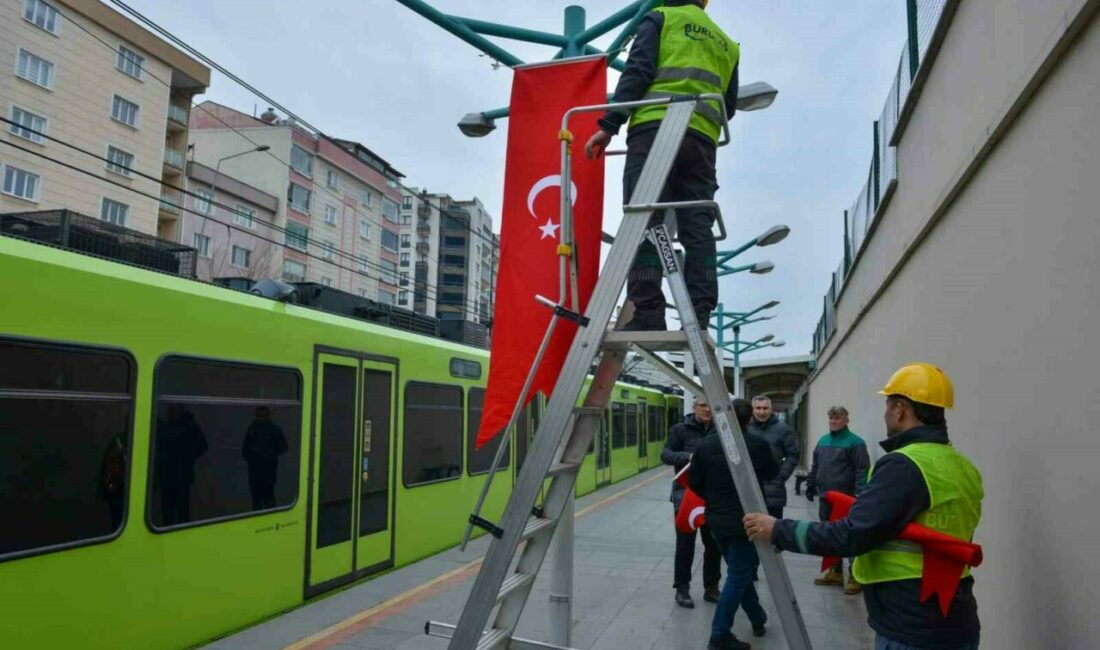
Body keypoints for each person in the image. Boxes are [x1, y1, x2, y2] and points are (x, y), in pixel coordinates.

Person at [744, 363, 984, 650]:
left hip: (910, 622)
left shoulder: (904, 465)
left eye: (887, 406)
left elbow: (852, 535)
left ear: (900, 409)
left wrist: (778, 529)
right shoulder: (962, 466)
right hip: (956, 615)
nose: (885, 414)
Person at [584, 0, 740, 331]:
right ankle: (698, 315)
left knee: (645, 219)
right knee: (698, 227)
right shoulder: (727, 43)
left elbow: (638, 72)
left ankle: (649, 312)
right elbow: (729, 105)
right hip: (702, 141)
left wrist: (609, 125)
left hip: (655, 128)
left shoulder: (660, 18)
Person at [689, 398, 778, 650]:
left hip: (716, 521)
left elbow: (694, 481)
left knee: (741, 573)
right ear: (749, 419)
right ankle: (719, 634)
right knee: (739, 575)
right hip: (747, 521)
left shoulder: (705, 445)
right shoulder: (758, 444)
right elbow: (772, 473)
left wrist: (714, 498)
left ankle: (757, 617)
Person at [662, 397, 721, 608]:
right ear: (694, 407)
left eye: (710, 406)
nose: (707, 410)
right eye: (703, 405)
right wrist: (688, 457)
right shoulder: (680, 429)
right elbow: (666, 454)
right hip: (685, 496)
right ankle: (682, 588)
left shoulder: (721, 430)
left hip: (713, 496)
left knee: (714, 545)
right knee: (685, 544)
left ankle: (711, 587)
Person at [809, 405, 870, 594]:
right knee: (829, 534)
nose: (834, 422)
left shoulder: (856, 443)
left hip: (846, 500)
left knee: (849, 536)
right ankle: (835, 572)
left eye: (838, 418)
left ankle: (855, 576)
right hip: (825, 497)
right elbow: (816, 464)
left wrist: (859, 494)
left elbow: (862, 470)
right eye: (831, 419)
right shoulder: (823, 441)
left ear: (846, 420)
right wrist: (811, 482)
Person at [154, 404, 208, 526]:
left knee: (180, 513)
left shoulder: (189, 427)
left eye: (173, 411)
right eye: (170, 411)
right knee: (170, 513)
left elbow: (202, 446)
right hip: (169, 475)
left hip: (179, 475)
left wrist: (186, 456)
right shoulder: (186, 426)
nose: (170, 414)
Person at [747, 396, 799, 519]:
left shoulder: (783, 429)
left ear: (771, 410)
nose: (761, 412)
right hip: (750, 488)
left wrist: (781, 476)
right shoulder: (745, 428)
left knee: (773, 531)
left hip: (774, 490)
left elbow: (793, 454)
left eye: (765, 408)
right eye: (758, 408)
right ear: (752, 410)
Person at [242, 406, 289, 511]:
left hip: (267, 469)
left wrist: (269, 454)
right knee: (258, 500)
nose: (261, 418)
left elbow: (283, 446)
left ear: (268, 416)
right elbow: (245, 449)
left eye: (263, 416)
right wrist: (252, 457)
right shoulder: (253, 430)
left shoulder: (273, 430)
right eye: (259, 416)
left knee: (267, 498)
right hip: (256, 470)